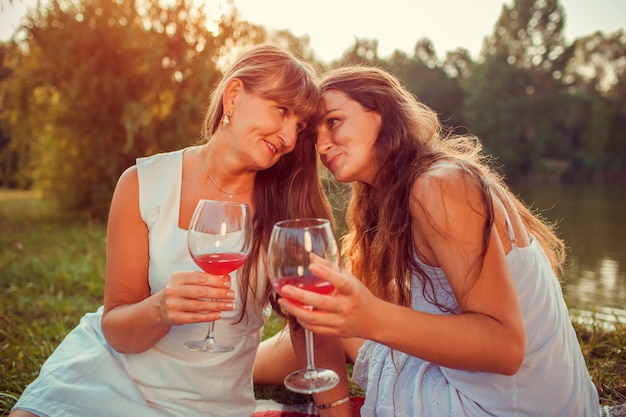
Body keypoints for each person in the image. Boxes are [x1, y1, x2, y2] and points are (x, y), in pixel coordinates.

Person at [10, 45, 348, 417]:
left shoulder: (289, 207)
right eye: (281, 110)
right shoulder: (142, 184)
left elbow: (312, 325)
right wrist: (160, 309)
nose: (287, 137)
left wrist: (337, 411)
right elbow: (117, 331)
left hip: (204, 404)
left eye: (299, 127)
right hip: (105, 374)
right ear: (233, 96)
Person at [254, 66, 600, 416]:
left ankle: (306, 399)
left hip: (497, 406)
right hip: (554, 400)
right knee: (332, 305)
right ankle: (243, 364)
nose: (323, 145)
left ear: (380, 115)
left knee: (331, 312)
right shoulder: (418, 184)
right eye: (315, 136)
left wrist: (369, 317)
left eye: (334, 121)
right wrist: (365, 310)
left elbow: (507, 348)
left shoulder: (439, 186)